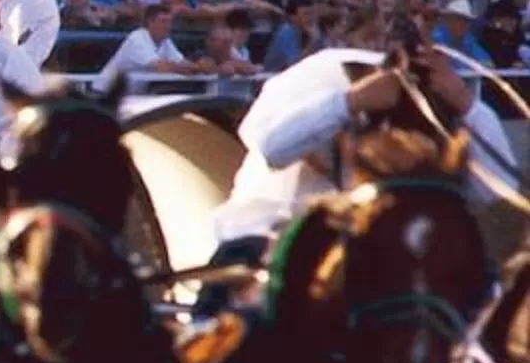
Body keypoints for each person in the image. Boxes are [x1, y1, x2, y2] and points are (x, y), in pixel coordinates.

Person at [204, 37, 516, 275]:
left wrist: (464, 103)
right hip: (262, 252)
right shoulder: (320, 81)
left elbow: (495, 190)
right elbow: (272, 147)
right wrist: (352, 102)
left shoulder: (410, 126)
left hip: (371, 263)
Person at [88, 0, 209, 101]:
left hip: (132, 97)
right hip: (104, 96)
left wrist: (197, 67)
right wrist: (198, 67)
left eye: (169, 22)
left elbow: (182, 63)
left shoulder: (165, 41)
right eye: (163, 21)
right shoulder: (137, 37)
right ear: (151, 22)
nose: (168, 26)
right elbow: (162, 68)